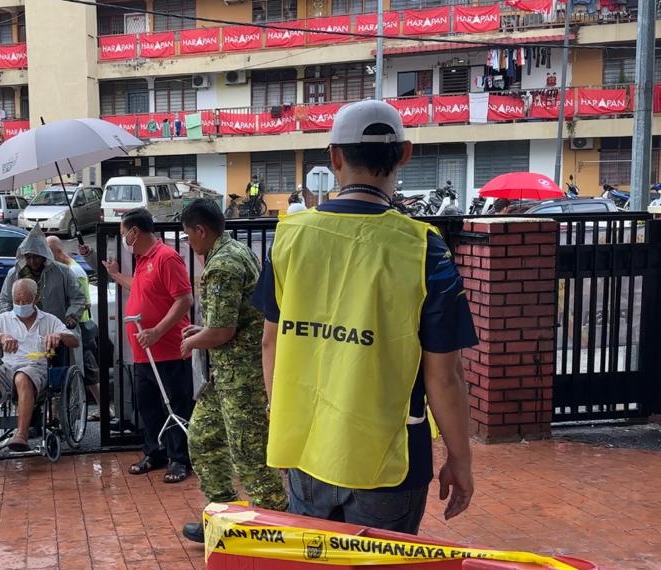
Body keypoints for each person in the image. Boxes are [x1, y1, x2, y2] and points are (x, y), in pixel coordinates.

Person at [253, 100, 477, 534]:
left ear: (334, 157)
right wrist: (460, 459)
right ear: (405, 154)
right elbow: (444, 377)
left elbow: (271, 343)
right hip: (389, 459)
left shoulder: (289, 238)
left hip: (304, 447)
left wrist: (280, 422)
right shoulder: (424, 249)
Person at [178, 199, 287, 544]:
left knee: (250, 455)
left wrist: (193, 343)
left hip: (245, 378)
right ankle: (225, 519)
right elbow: (230, 321)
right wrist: (201, 332)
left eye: (188, 236)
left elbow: (223, 331)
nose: (188, 243)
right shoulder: (235, 250)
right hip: (228, 373)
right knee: (203, 437)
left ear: (201, 230)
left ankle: (275, 530)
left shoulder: (223, 264)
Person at [103, 208, 194, 484]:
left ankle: (180, 459)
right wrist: (116, 275)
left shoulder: (166, 257)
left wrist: (157, 331)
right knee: (149, 406)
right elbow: (141, 289)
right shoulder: (142, 260)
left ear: (135, 232)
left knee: (175, 405)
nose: (122, 239)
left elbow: (184, 300)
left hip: (167, 349)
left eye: (123, 233)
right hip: (144, 352)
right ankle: (154, 453)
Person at [0, 278, 79, 452]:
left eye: (25, 301)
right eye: (17, 301)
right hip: (8, 368)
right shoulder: (4, 319)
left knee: (22, 377)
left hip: (36, 370)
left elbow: (74, 341)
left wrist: (59, 336)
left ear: (35, 298)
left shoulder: (49, 320)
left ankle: (21, 434)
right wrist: (0, 337)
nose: (21, 304)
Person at [46, 236, 107, 420]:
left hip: (80, 326)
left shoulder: (73, 271)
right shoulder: (69, 268)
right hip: (76, 325)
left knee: (88, 370)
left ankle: (105, 409)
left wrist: (70, 318)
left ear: (57, 251)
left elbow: (83, 302)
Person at [0, 225, 85, 330]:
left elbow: (77, 297)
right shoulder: (14, 274)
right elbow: (5, 300)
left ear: (44, 256)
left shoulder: (63, 272)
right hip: (23, 330)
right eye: (28, 257)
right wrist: (8, 320)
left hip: (56, 330)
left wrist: (72, 316)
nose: (32, 261)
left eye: (36, 257)